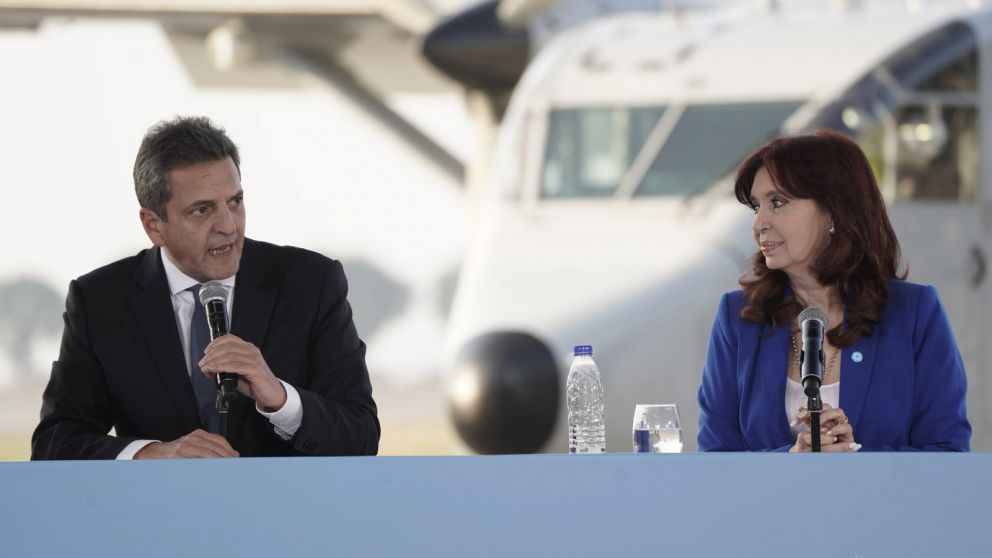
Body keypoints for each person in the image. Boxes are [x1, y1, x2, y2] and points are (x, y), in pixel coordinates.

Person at [32, 116, 380, 459]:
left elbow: (361, 436)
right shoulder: (100, 301)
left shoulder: (310, 282)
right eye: (202, 210)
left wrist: (280, 399)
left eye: (235, 202)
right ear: (154, 226)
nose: (228, 226)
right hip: (160, 512)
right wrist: (151, 454)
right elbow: (55, 442)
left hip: (282, 511)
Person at [697, 130, 971, 452]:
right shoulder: (738, 318)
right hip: (772, 505)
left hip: (881, 504)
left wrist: (852, 462)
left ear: (833, 211)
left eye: (778, 202)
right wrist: (789, 461)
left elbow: (948, 454)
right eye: (756, 207)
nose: (759, 224)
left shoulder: (915, 313)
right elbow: (714, 463)